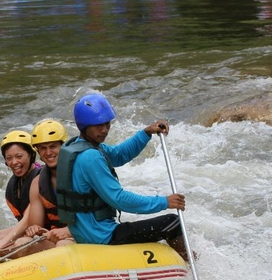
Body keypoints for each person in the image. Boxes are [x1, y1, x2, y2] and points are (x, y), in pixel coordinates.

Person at [55, 94, 187, 259]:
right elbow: (119, 199)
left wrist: (146, 133)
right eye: (98, 125)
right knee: (173, 222)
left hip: (88, 232)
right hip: (102, 236)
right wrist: (164, 202)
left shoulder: (78, 146)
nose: (104, 129)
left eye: (107, 123)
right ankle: (189, 266)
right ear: (84, 126)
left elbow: (118, 154)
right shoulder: (90, 157)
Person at [0, 130, 42, 252]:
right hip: (29, 232)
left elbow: (27, 220)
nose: (14, 162)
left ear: (31, 155)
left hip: (46, 231)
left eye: (19, 156)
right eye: (9, 158)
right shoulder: (16, 184)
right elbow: (22, 224)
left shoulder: (40, 178)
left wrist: (1, 244)